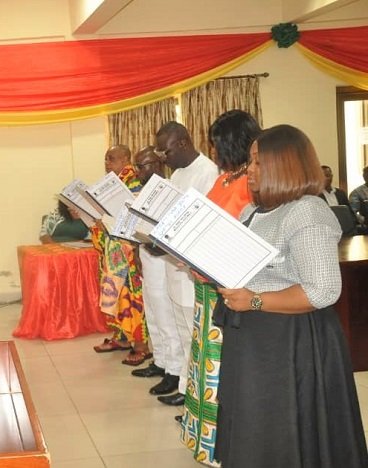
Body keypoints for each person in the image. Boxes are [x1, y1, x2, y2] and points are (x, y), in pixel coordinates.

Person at [216, 125, 368, 468]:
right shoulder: (252, 212)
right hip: (256, 338)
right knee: (253, 424)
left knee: (284, 432)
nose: (249, 170)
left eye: (257, 162)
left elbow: (323, 289)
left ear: (283, 165)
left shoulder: (307, 211)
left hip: (293, 341)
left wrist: (254, 300)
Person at [178, 110, 260, 465]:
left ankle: (224, 441)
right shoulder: (226, 178)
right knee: (204, 363)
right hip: (205, 284)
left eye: (217, 144)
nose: (213, 151)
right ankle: (204, 438)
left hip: (229, 288)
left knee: (222, 368)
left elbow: (246, 235)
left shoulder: (251, 182)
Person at [151, 122, 218, 406]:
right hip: (171, 263)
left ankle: (194, 394)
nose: (163, 159)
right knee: (180, 330)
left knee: (193, 336)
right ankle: (184, 387)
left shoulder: (208, 172)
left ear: (182, 143)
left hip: (192, 270)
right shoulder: (177, 174)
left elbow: (199, 222)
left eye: (165, 152)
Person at [91, 145, 150, 367]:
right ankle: (122, 338)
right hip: (113, 252)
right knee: (116, 297)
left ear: (126, 159)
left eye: (112, 159)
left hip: (128, 254)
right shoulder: (112, 185)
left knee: (131, 299)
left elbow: (133, 218)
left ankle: (140, 346)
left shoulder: (133, 183)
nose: (107, 163)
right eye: (106, 159)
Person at [130, 146, 174, 380]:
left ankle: (173, 370)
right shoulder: (143, 191)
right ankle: (159, 361)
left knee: (165, 315)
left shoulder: (169, 191)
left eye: (142, 166)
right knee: (153, 314)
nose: (137, 171)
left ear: (157, 165)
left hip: (162, 259)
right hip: (146, 255)